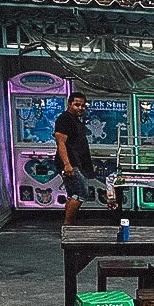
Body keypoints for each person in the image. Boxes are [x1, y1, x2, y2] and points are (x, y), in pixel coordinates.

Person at [53, 92, 94, 226]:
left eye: (83, 105)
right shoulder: (65, 119)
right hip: (71, 163)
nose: (80, 108)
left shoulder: (75, 120)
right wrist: (67, 165)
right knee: (81, 193)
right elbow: (61, 142)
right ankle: (68, 225)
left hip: (76, 162)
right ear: (69, 104)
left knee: (73, 194)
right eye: (77, 105)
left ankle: (69, 224)